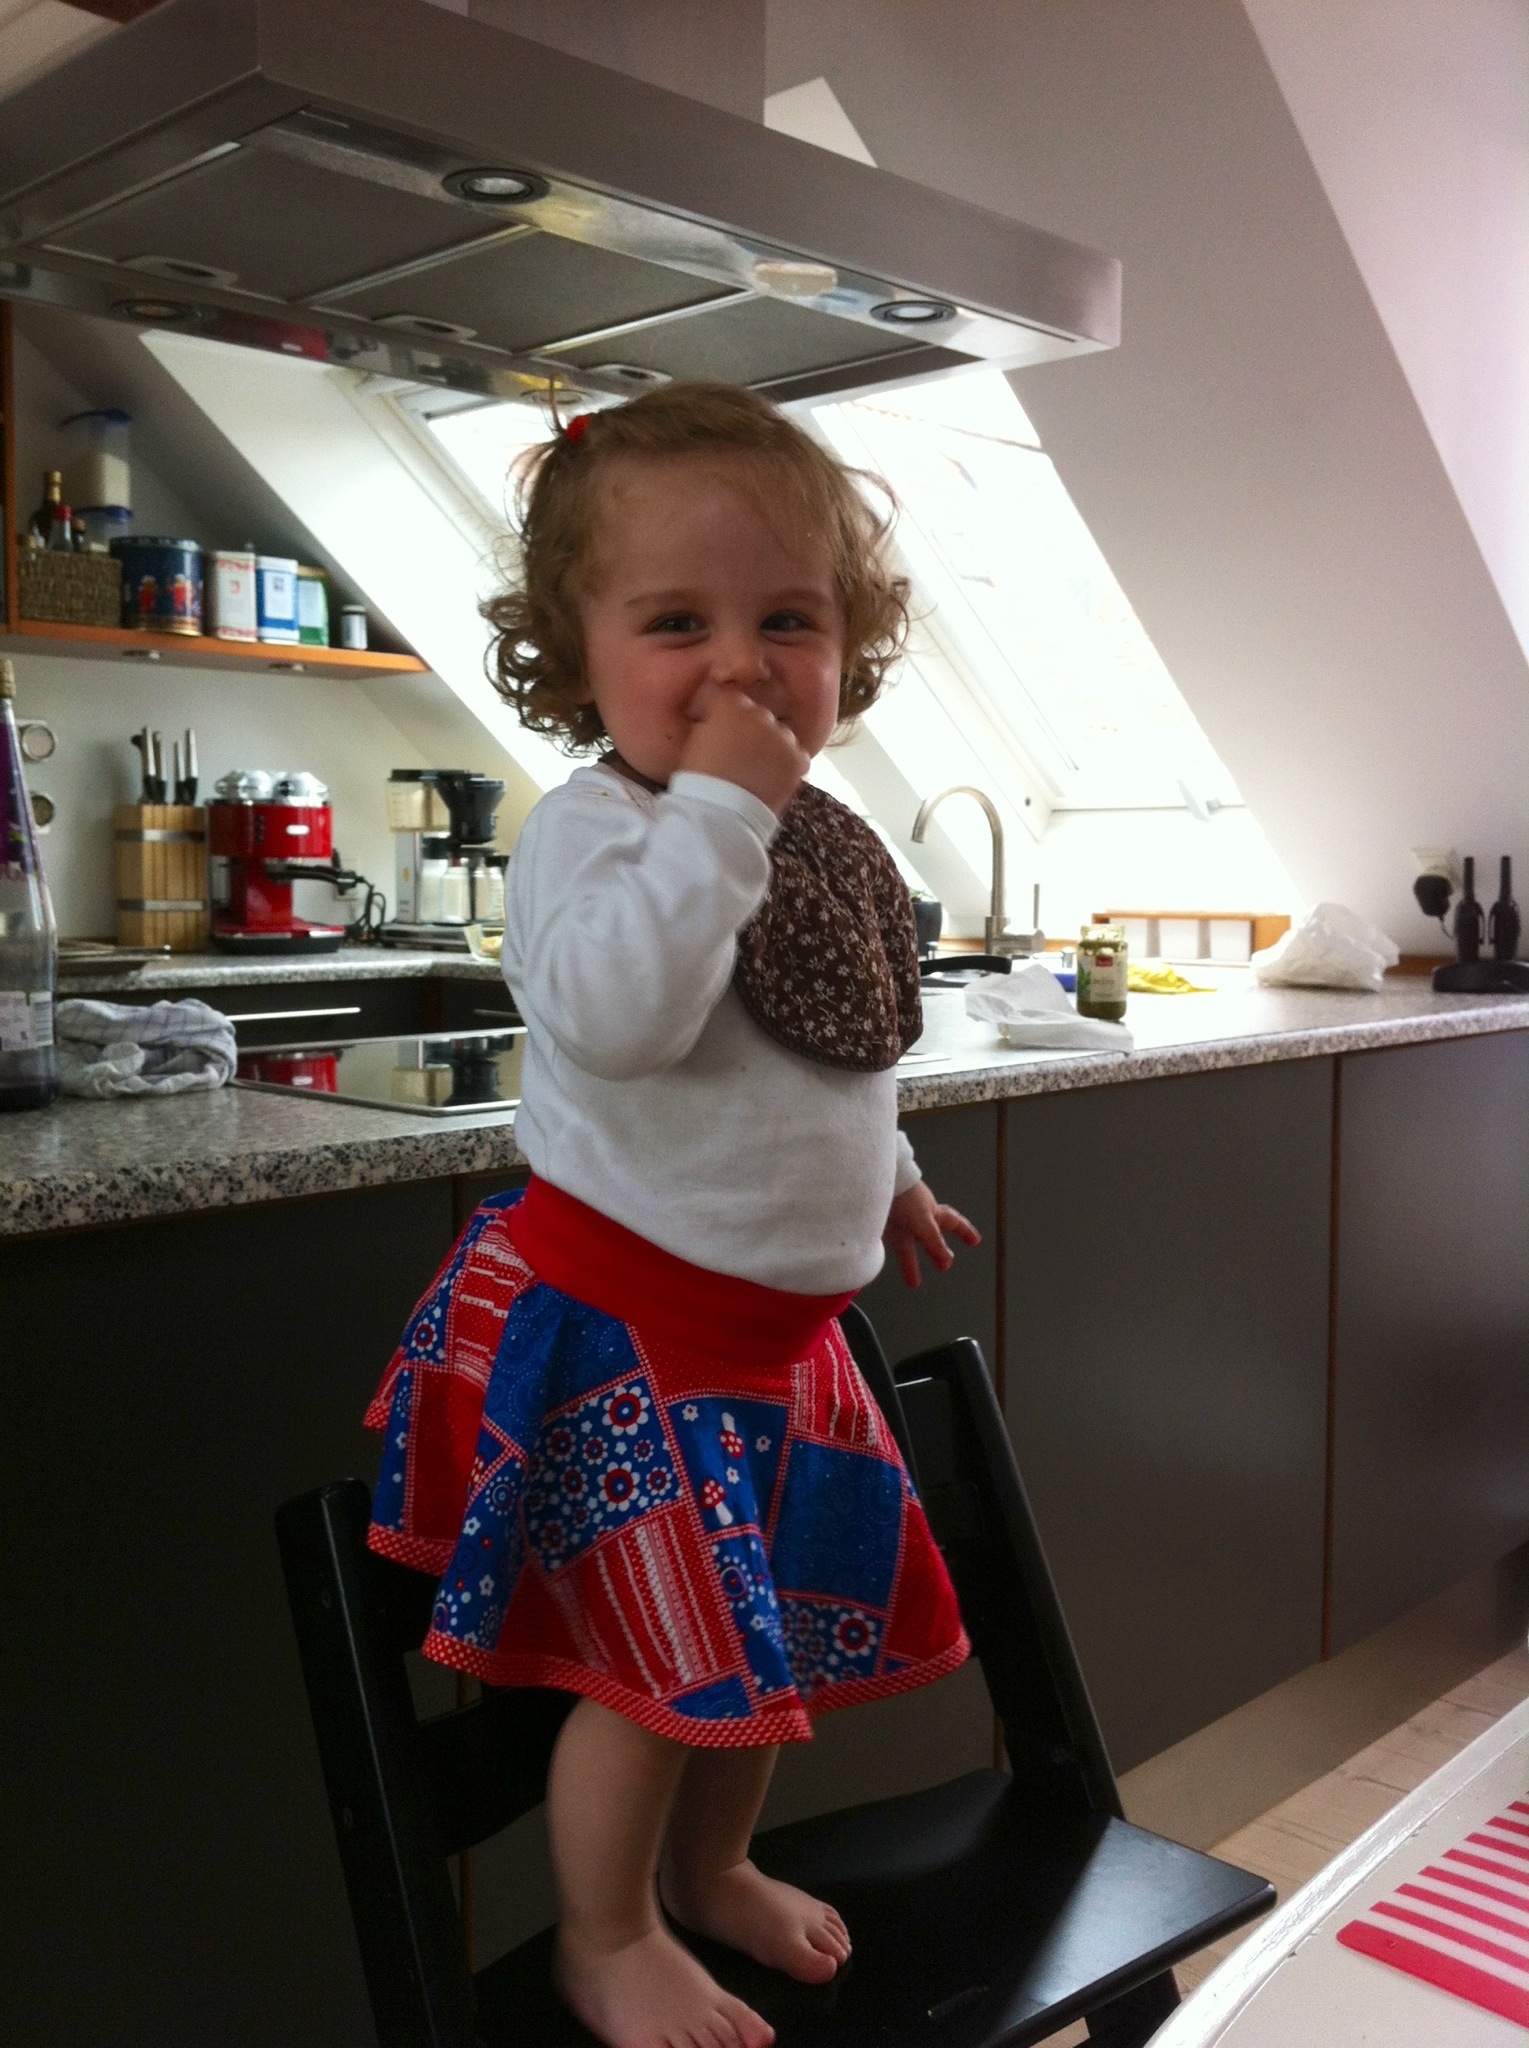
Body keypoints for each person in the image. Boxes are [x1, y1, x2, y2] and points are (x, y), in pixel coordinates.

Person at [364, 382, 980, 2048]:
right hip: (625, 1339)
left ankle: (710, 1873)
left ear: (849, 648)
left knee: (752, 1653)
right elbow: (623, 1021)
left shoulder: (811, 838)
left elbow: (826, 1054)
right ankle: (608, 1930)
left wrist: (890, 1180)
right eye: (674, 623)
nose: (737, 668)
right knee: (654, 1679)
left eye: (786, 620)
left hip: (780, 1347)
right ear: (574, 661)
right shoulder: (596, 834)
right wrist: (719, 811)